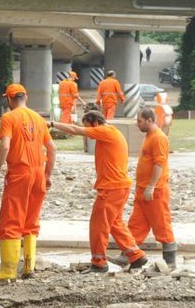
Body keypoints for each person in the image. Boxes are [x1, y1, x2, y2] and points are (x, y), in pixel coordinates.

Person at [50, 110, 147, 272]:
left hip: (112, 187)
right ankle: (136, 255)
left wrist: (52, 124)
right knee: (115, 223)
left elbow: (76, 130)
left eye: (88, 126)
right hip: (119, 185)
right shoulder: (110, 132)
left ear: (94, 122)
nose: (88, 132)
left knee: (98, 225)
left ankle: (99, 262)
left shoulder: (104, 131)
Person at [0, 84, 56, 282]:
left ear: (9, 99)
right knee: (31, 220)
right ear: (26, 97)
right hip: (39, 173)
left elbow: (5, 145)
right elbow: (52, 148)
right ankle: (28, 267)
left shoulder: (9, 117)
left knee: (11, 219)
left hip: (20, 174)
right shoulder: (39, 118)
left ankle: (8, 270)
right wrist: (48, 174)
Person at [111, 108, 177, 267]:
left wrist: (151, 186)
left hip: (155, 191)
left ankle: (170, 262)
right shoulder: (150, 136)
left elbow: (159, 164)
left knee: (162, 225)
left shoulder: (159, 138)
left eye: (139, 121)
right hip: (143, 189)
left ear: (149, 120)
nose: (137, 124)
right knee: (135, 225)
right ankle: (128, 256)